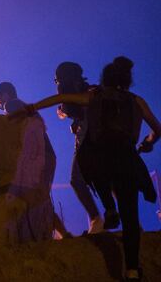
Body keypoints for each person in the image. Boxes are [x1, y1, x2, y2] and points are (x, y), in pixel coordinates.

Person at [11, 57, 161, 281]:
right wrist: (148, 142)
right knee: (128, 212)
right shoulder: (136, 101)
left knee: (87, 173)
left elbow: (61, 97)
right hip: (128, 159)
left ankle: (106, 211)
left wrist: (32, 107)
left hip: (100, 155)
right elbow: (157, 128)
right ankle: (131, 269)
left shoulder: (94, 96)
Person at [0, 81, 71, 238]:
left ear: (5, 95)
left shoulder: (11, 104)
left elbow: (16, 130)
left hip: (38, 158)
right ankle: (62, 233)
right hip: (44, 157)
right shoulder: (22, 106)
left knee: (33, 197)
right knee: (37, 198)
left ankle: (58, 234)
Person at [54, 62, 104, 234]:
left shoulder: (67, 90)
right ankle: (131, 221)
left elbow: (70, 107)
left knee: (76, 180)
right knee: (110, 182)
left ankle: (95, 219)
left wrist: (64, 111)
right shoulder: (93, 91)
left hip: (87, 143)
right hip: (105, 141)